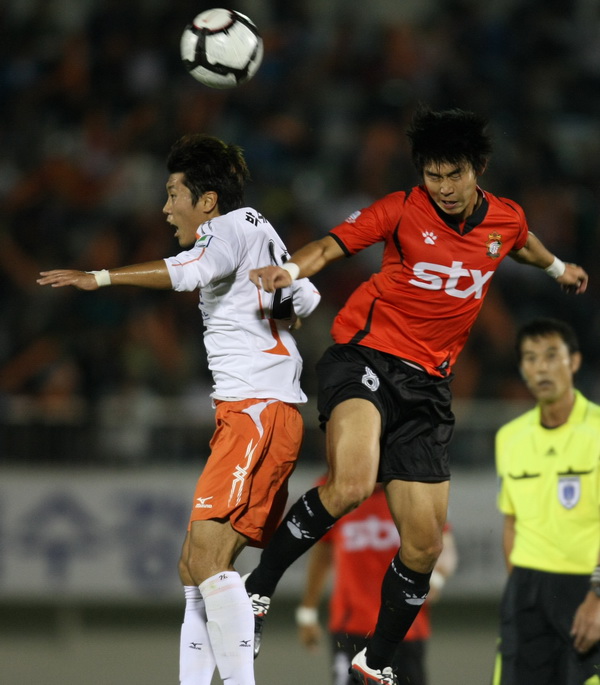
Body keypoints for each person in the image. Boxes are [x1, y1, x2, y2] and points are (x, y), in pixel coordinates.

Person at [244, 106, 589, 685]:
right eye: (433, 175)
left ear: (478, 170)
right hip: (365, 358)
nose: (444, 187)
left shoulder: (504, 219)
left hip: (429, 387)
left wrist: (557, 269)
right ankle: (257, 589)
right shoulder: (401, 209)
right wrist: (290, 272)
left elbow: (522, 244)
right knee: (353, 485)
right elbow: (328, 247)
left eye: (454, 174)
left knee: (424, 547)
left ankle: (375, 661)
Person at [37, 134, 321, 685]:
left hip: (256, 411)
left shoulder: (224, 229)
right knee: (193, 565)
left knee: (208, 562)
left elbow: (186, 271)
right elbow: (304, 299)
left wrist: (100, 277)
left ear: (206, 200)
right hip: (257, 411)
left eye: (173, 195)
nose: (166, 209)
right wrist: (279, 305)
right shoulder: (259, 227)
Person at [492, 318, 600, 685]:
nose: (541, 367)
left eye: (552, 355)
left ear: (575, 361)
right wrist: (518, 592)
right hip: (527, 591)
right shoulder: (509, 437)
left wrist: (598, 597)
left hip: (588, 590)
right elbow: (511, 523)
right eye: (531, 358)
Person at [296, 478, 458, 685]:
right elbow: (322, 553)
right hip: (351, 626)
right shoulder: (335, 483)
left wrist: (436, 578)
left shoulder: (415, 486)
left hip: (405, 628)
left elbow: (444, 547)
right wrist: (307, 612)